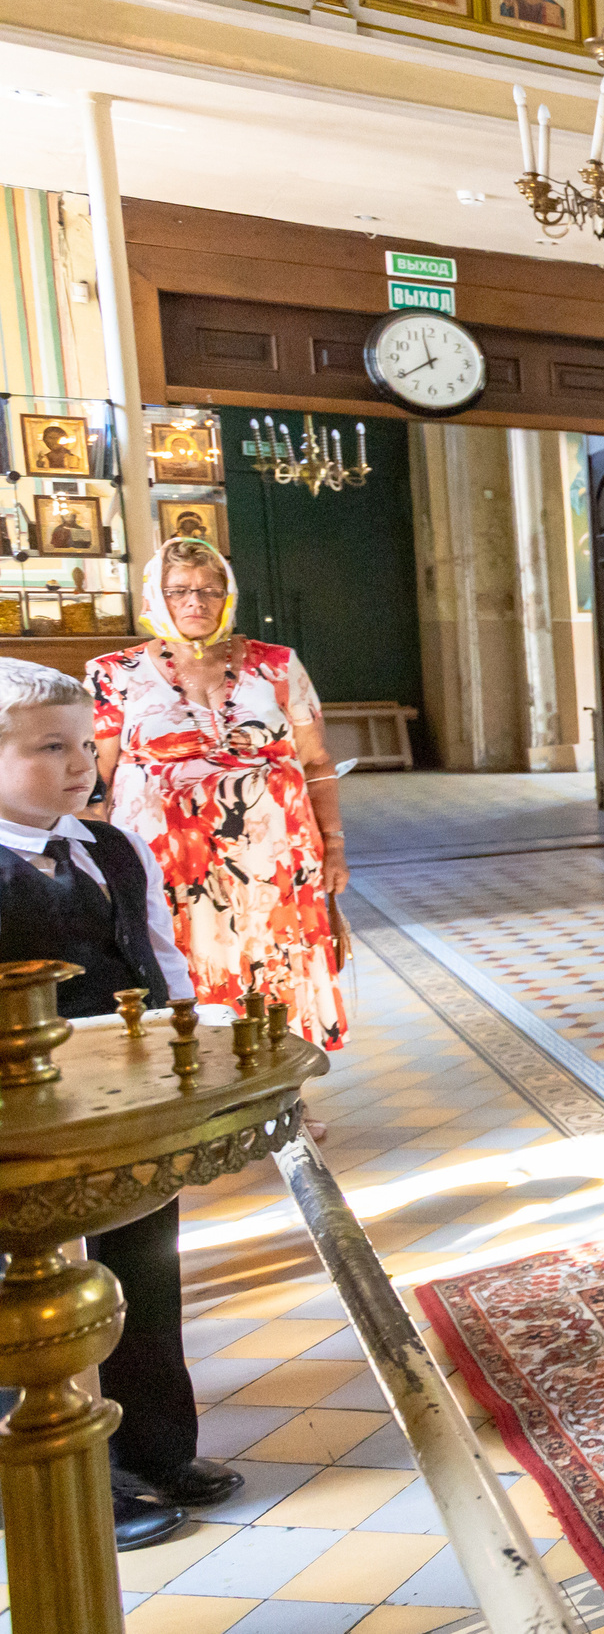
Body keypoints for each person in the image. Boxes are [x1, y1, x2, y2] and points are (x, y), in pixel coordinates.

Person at [0, 659, 243, 1550]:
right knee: (20, 1289)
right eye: (47, 748)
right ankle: (53, 1471)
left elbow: (160, 960)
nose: (78, 764)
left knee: (147, 1264)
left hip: (127, 1105)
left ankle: (157, 1444)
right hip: (17, 1123)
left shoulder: (113, 847)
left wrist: (192, 1048)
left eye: (85, 743)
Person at [89, 540, 348, 1048]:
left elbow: (316, 761)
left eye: (211, 590)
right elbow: (95, 776)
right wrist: (94, 859)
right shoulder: (113, 673)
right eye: (180, 590)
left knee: (276, 962)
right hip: (167, 859)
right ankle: (202, 1091)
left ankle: (283, 1091)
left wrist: (334, 845)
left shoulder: (277, 664)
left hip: (273, 858)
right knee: (186, 965)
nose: (196, 602)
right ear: (154, 596)